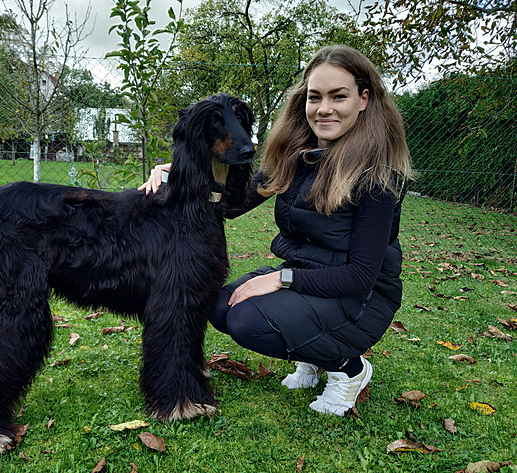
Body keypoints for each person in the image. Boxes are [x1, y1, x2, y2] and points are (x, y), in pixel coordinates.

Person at [139, 45, 413, 416]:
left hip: (360, 297)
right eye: (315, 97)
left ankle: (348, 369)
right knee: (219, 306)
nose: (324, 108)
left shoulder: (377, 177)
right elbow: (231, 205)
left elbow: (361, 276)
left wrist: (281, 279)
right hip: (308, 277)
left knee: (245, 320)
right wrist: (175, 172)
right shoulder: (295, 158)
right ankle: (313, 357)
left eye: (339, 96)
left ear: (364, 100)